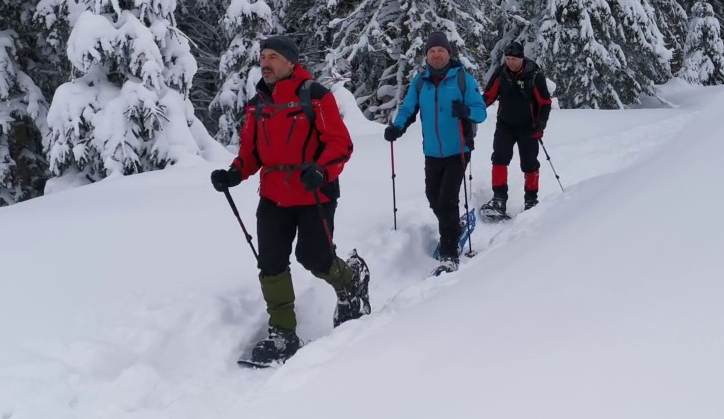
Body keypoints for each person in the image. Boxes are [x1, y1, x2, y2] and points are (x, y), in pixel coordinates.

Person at [210, 36, 370, 367]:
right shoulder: (258, 103)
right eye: (262, 57)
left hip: (314, 191)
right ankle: (283, 333)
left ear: (291, 63)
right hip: (273, 194)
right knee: (270, 263)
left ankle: (350, 281)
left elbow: (340, 143)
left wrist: (322, 171)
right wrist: (234, 173)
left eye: (272, 57)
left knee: (315, 257)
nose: (265, 63)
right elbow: (250, 152)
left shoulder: (315, 96)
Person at [383, 31, 488, 272]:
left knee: (447, 200)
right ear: (427, 56)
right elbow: (408, 108)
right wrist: (397, 127)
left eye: (440, 50)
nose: (436, 55)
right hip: (432, 152)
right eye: (431, 51)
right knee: (433, 197)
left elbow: (480, 111)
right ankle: (452, 229)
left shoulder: (462, 79)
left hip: (459, 150)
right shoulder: (421, 82)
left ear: (448, 53)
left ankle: (450, 252)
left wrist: (466, 111)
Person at [478, 41, 552, 220]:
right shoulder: (501, 73)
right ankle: (499, 199)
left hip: (528, 127)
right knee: (499, 159)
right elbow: (488, 96)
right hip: (505, 125)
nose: (510, 62)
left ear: (521, 58)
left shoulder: (533, 75)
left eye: (514, 59)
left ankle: (531, 200)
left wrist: (540, 125)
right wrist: (472, 110)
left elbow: (544, 103)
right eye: (508, 58)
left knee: (530, 163)